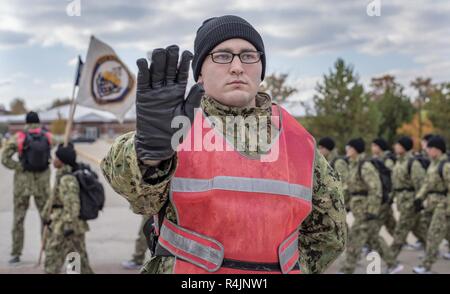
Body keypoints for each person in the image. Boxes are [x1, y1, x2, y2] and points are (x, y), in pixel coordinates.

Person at [101, 15, 346, 274]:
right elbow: (141, 201)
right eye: (222, 56)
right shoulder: (178, 126)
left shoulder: (300, 143)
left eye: (249, 56)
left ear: (261, 68)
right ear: (200, 74)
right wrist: (149, 155)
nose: (237, 67)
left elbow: (330, 235)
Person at [338, 138, 401, 274]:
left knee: (354, 239)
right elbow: (352, 189)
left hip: (365, 210)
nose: (346, 150)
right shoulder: (354, 165)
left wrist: (372, 210)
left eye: (349, 148)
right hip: (359, 209)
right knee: (373, 238)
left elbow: (375, 188)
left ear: (355, 150)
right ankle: (393, 264)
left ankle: (346, 269)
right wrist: (345, 206)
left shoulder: (365, 165)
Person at [1, 111, 52, 264]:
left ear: (26, 122)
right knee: (46, 218)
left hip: (22, 185)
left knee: (18, 219)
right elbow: (62, 143)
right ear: (38, 121)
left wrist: (19, 167)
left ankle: (16, 254)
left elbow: (4, 158)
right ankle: (48, 250)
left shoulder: (19, 137)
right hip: (42, 184)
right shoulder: (48, 136)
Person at [42, 143, 94, 274]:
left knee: (52, 260)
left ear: (62, 161)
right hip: (62, 223)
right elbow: (53, 201)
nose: (53, 160)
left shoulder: (67, 179)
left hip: (66, 227)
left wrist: (68, 227)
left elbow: (72, 205)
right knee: (76, 261)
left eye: (56, 157)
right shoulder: (61, 176)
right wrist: (46, 217)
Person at [413, 136, 450, 274]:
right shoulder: (433, 164)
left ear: (437, 149)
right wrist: (419, 198)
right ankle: (431, 252)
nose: (427, 150)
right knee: (426, 226)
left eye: (429, 148)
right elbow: (427, 184)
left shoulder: (445, 165)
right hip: (431, 203)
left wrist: (448, 209)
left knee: (434, 234)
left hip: (443, 204)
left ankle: (426, 265)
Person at [389, 136, 426, 263]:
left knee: (401, 229)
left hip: (410, 202)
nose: (395, 146)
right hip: (401, 201)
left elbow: (420, 184)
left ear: (404, 147)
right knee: (418, 228)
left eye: (398, 145)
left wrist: (419, 200)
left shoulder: (413, 163)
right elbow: (396, 184)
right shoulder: (398, 162)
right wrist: (391, 198)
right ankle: (431, 247)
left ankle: (390, 259)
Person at [371, 138, 396, 238]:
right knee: (389, 221)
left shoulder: (387, 160)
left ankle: (371, 241)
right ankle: (400, 241)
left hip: (385, 193)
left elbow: (389, 177)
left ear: (379, 147)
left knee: (375, 222)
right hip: (382, 194)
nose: (372, 148)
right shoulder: (377, 158)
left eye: (374, 145)